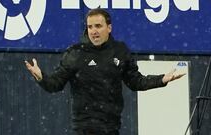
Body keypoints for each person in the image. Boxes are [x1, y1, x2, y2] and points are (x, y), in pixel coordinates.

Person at [25, 8, 185, 135]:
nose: (93, 31)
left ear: (109, 28)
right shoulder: (75, 53)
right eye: (90, 27)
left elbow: (136, 82)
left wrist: (162, 79)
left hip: (111, 127)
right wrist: (41, 77)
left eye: (98, 26)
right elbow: (55, 84)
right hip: (85, 127)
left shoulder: (120, 51)